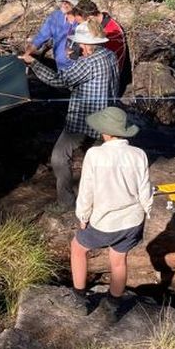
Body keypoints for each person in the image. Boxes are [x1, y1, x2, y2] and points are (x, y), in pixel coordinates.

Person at [21, 19, 119, 208]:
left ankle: (66, 203)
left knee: (59, 157)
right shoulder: (110, 55)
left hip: (83, 120)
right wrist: (76, 57)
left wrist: (33, 63)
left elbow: (58, 80)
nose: (79, 46)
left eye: (81, 43)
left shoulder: (88, 63)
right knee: (100, 164)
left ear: (88, 44)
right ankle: (101, 201)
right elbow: (89, 75)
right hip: (107, 119)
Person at [71, 106, 153, 315]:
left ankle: (80, 299)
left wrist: (83, 216)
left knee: (78, 248)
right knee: (118, 260)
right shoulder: (139, 154)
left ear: (105, 132)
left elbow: (87, 189)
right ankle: (113, 304)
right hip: (133, 221)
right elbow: (145, 189)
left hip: (105, 221)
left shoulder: (95, 154)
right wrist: (147, 212)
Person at [68, 0, 129, 82]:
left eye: (81, 23)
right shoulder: (95, 26)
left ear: (90, 18)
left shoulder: (113, 31)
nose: (80, 25)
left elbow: (114, 64)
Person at [29, 0, 80, 70]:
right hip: (61, 66)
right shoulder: (55, 17)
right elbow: (41, 36)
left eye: (67, 2)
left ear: (74, 5)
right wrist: (28, 52)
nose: (64, 4)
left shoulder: (81, 19)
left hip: (79, 66)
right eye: (63, 1)